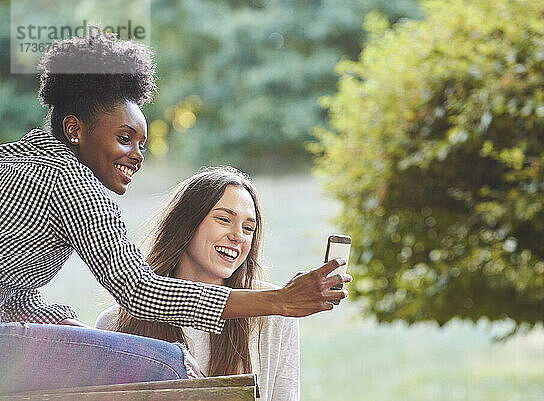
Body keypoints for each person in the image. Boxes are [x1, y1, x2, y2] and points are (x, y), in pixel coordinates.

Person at [0, 32, 350, 394]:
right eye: (124, 137)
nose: (137, 155)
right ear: (75, 129)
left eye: (141, 144)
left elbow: (14, 299)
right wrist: (282, 300)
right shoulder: (68, 179)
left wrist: (74, 328)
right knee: (170, 363)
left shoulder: (16, 160)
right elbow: (138, 289)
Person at [96, 166, 300, 401]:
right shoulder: (115, 323)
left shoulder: (273, 310)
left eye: (248, 229)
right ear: (186, 223)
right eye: (224, 219)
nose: (238, 236)